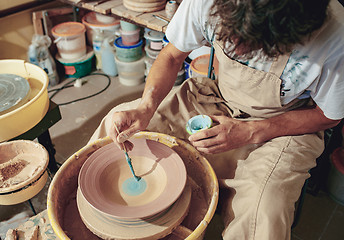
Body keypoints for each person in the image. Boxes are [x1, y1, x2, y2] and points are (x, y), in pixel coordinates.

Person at [90, 0, 344, 239]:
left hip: (285, 123)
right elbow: (171, 56)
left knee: (265, 209)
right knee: (115, 133)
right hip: (215, 97)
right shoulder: (209, 3)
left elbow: (329, 116)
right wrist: (146, 106)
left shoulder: (334, 33)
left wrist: (252, 131)